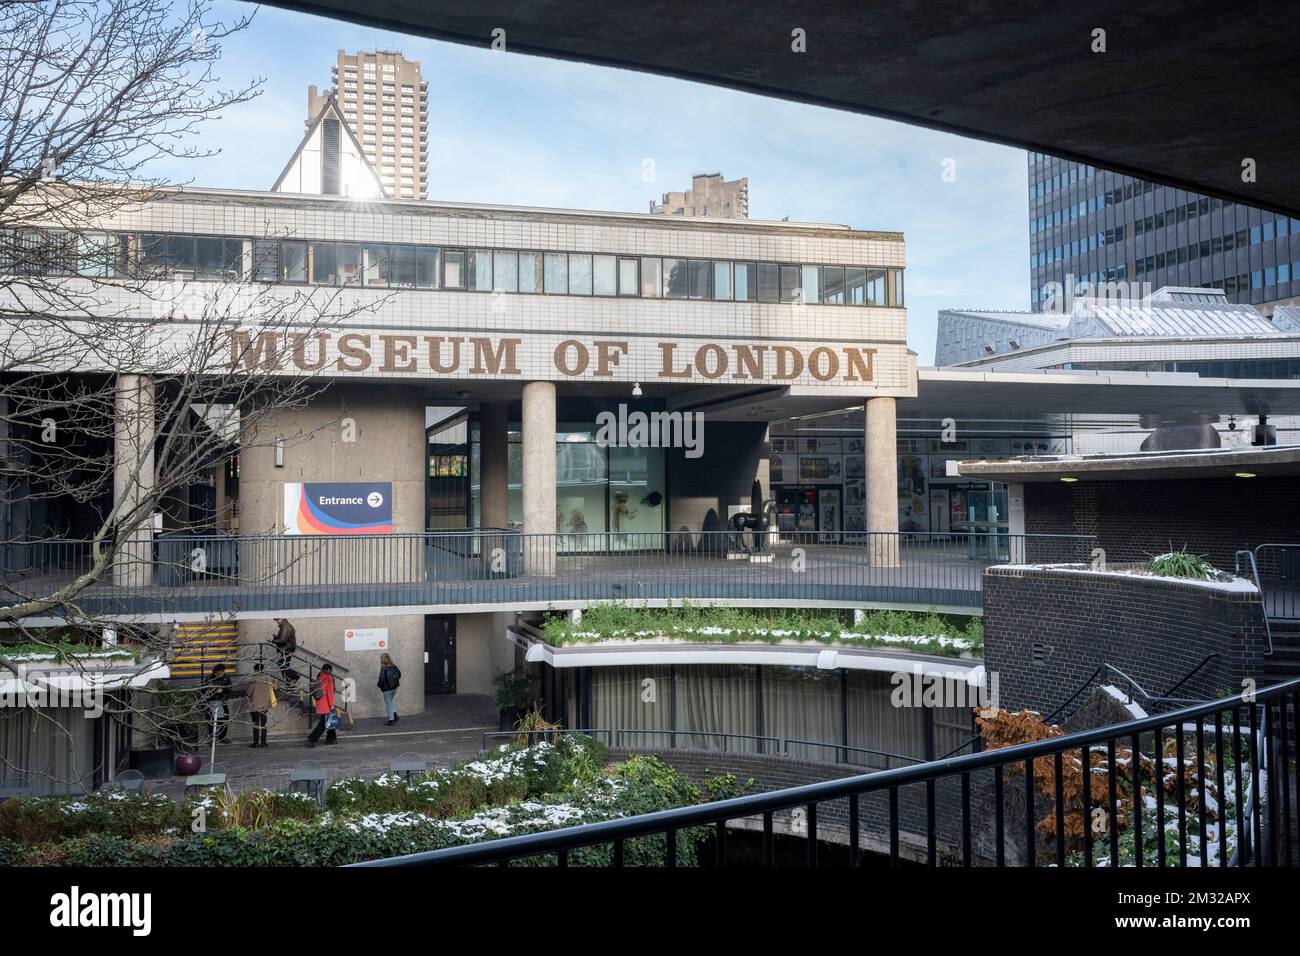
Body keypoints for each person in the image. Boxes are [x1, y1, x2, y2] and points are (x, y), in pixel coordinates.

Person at [306, 663, 337, 747]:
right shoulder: (328, 677)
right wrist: (332, 705)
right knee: (323, 723)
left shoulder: (319, 676)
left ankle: (332, 738)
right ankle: (312, 738)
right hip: (326, 703)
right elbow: (330, 692)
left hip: (320, 703)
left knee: (329, 721)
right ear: (329, 670)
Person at [203, 664, 233, 744]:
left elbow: (230, 688)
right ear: (216, 671)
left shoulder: (226, 677)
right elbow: (205, 690)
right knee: (212, 720)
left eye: (223, 671)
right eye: (221, 671)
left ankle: (222, 737)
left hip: (223, 700)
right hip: (212, 701)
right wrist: (215, 690)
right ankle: (212, 738)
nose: (223, 673)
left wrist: (223, 690)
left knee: (225, 719)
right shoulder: (209, 678)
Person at [246, 663, 273, 748]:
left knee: (256, 724)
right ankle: (264, 742)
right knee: (263, 724)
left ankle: (256, 743)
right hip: (264, 705)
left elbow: (249, 693)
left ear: (256, 670)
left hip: (255, 705)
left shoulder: (253, 679)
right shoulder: (268, 678)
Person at [271, 618, 300, 686]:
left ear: (281, 618)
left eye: (277, 620)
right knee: (284, 665)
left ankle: (294, 677)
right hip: (288, 649)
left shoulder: (285, 627)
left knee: (283, 665)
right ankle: (291, 682)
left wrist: (272, 640)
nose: (276, 622)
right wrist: (275, 637)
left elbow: (282, 640)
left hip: (286, 650)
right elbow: (285, 639)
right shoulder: (286, 626)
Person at [377, 653, 402, 726]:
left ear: (382, 659)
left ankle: (391, 720)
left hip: (387, 689)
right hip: (394, 688)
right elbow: (399, 675)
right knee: (390, 702)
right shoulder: (393, 666)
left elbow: (381, 679)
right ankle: (395, 715)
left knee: (388, 704)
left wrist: (379, 684)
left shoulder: (383, 668)